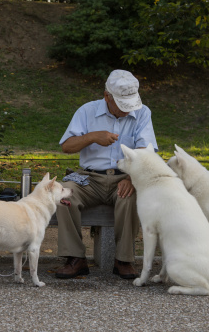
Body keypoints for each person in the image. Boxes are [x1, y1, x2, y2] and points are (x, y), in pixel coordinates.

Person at [55, 69, 158, 279]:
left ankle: (124, 260)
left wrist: (132, 178)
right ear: (106, 96)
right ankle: (75, 258)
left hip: (124, 176)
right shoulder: (87, 111)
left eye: (130, 104)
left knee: (130, 197)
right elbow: (67, 146)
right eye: (122, 105)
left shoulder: (143, 113)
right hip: (89, 178)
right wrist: (92, 137)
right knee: (63, 197)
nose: (127, 110)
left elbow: (146, 151)